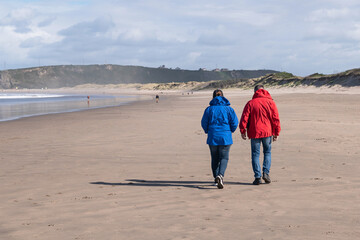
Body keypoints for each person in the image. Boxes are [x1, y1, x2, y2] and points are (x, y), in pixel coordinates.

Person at [239, 85, 281, 185]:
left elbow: (244, 118)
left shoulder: (250, 103)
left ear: (255, 92)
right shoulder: (271, 102)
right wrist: (276, 132)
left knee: (255, 154)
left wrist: (242, 130)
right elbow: (276, 118)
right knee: (267, 152)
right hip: (267, 132)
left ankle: (258, 177)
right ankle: (266, 173)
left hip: (254, 132)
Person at [201, 89, 238, 189]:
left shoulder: (209, 109)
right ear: (223, 96)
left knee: (215, 158)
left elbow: (204, 122)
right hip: (225, 136)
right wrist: (231, 130)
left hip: (213, 136)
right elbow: (234, 122)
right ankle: (220, 175)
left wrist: (207, 130)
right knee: (224, 157)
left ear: (213, 97)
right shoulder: (229, 109)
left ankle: (216, 178)